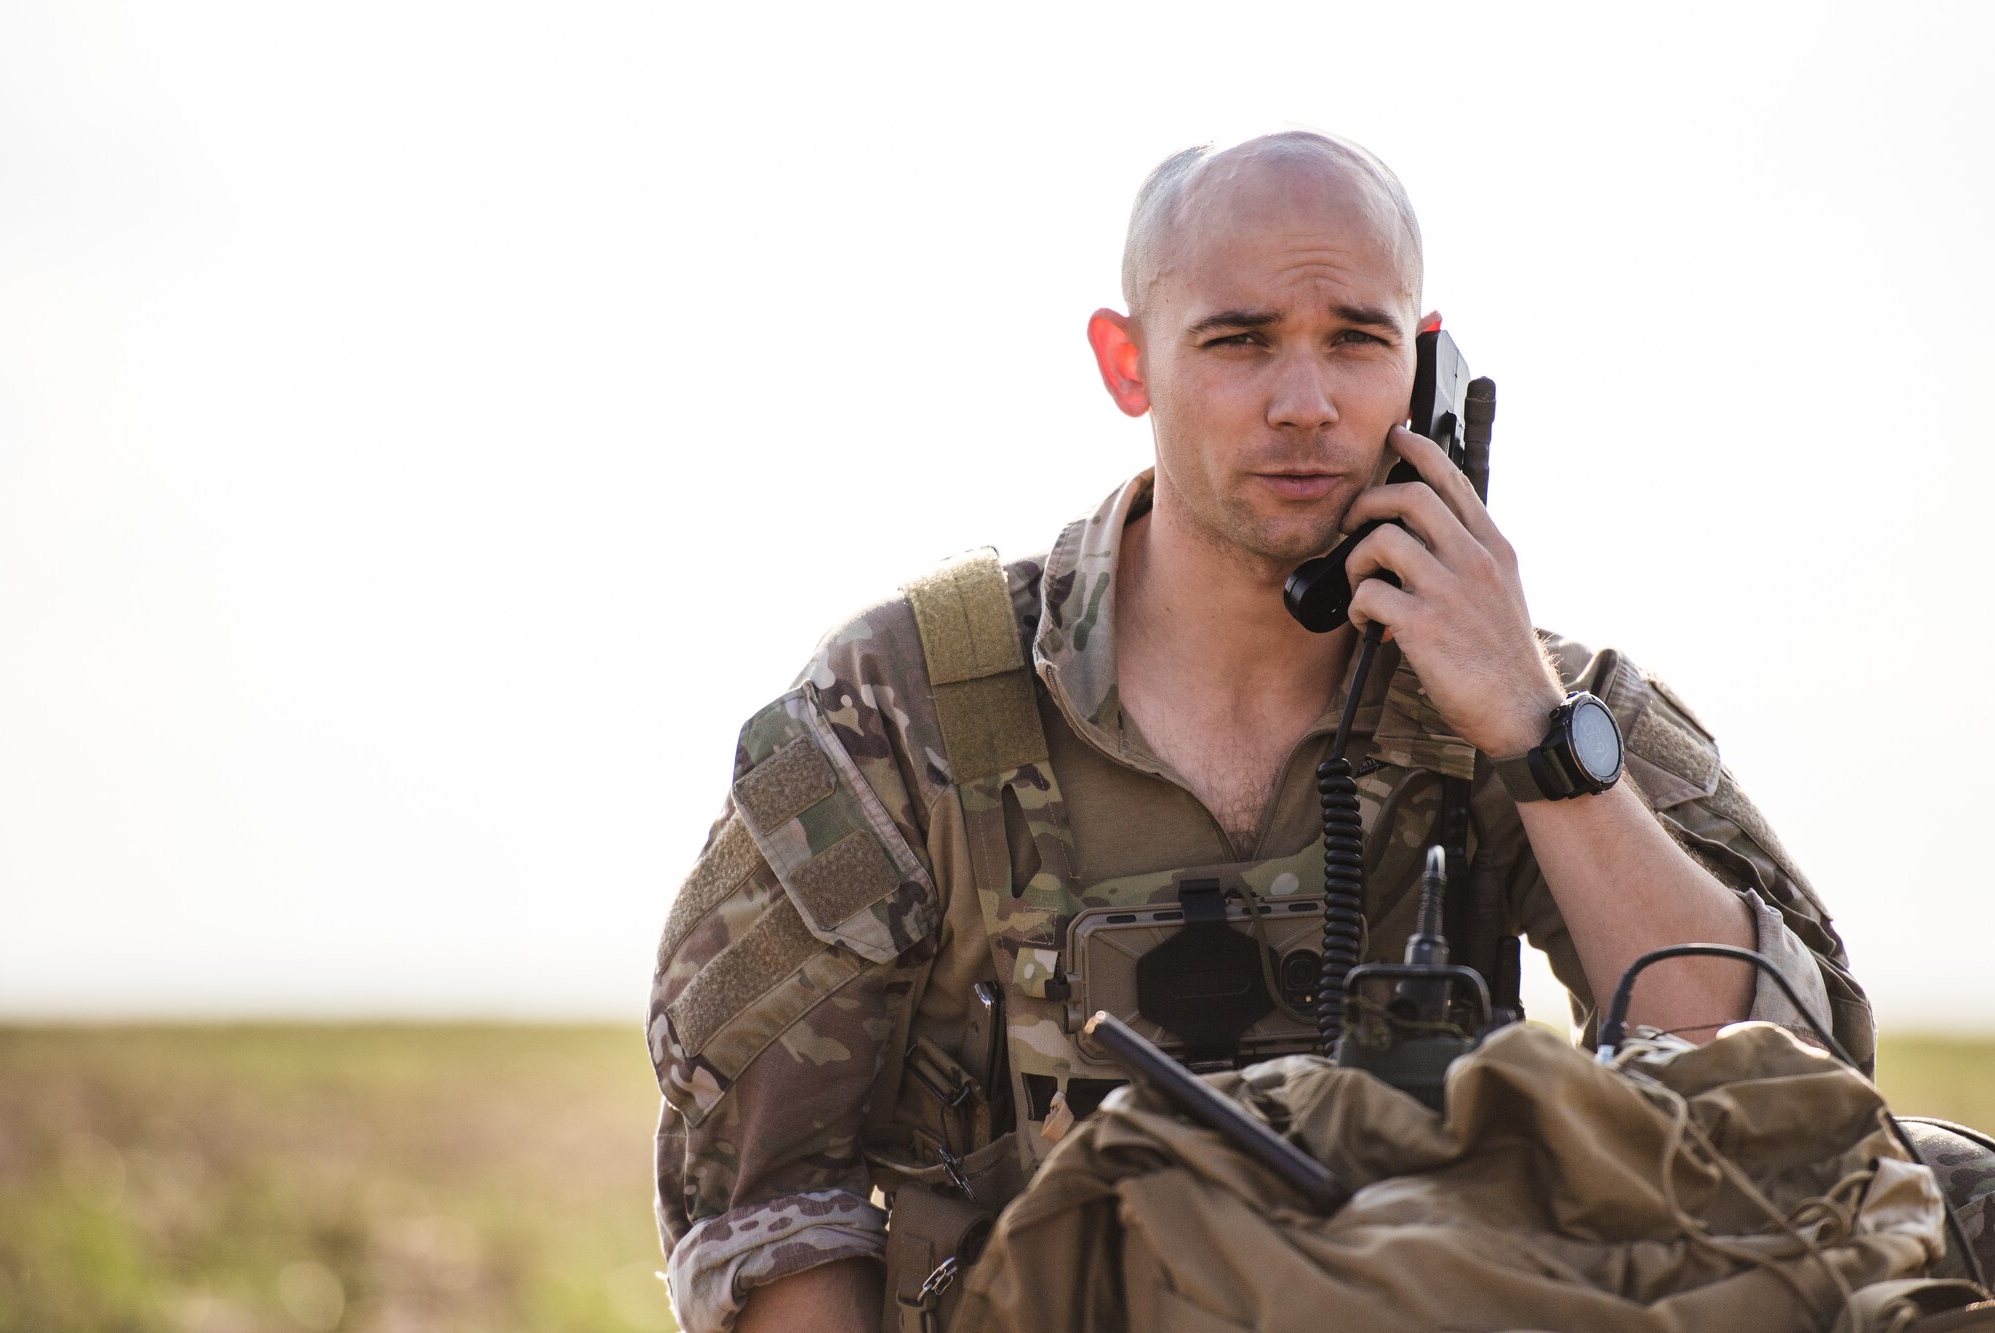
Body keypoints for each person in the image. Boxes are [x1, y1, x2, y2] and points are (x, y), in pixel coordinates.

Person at [646, 131, 1870, 1333]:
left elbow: (1789, 1101)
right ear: (1128, 365)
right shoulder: (906, 705)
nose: (1304, 404)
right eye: (1237, 342)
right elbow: (765, 1210)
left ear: (1425, 369)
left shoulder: (1532, 704)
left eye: (1355, 340)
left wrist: (1530, 733)